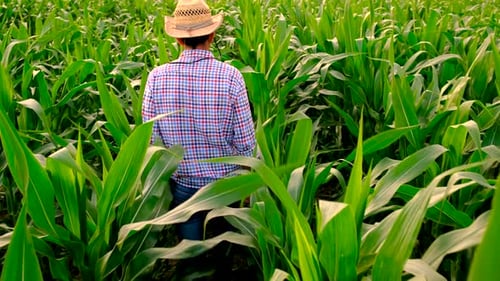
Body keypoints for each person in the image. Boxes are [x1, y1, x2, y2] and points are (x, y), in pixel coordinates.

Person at [142, 0, 256, 241]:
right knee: (227, 241)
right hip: (227, 185)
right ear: (212, 35)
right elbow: (246, 142)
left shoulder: (157, 78)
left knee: (190, 248)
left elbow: (150, 139)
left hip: (183, 182)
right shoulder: (231, 76)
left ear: (178, 39)